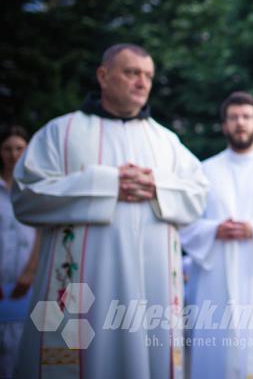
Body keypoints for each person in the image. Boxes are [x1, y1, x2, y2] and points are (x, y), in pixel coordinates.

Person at [12, 43, 208, 378]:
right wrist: (106, 184)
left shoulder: (166, 141)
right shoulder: (60, 133)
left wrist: (157, 185)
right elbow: (26, 196)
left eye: (147, 75)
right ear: (103, 76)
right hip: (84, 295)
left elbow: (198, 194)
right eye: (132, 73)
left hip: (152, 294)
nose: (142, 83)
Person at [180, 91, 253, 379]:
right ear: (224, 125)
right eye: (233, 117)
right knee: (214, 346)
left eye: (246, 117)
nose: (240, 123)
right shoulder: (203, 171)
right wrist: (214, 229)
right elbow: (185, 223)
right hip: (214, 280)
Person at [1, 126, 39, 379]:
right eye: (7, 149)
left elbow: (43, 231)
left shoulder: (36, 189)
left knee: (26, 351)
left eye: (19, 148)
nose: (14, 155)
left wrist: (30, 271)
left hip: (28, 281)